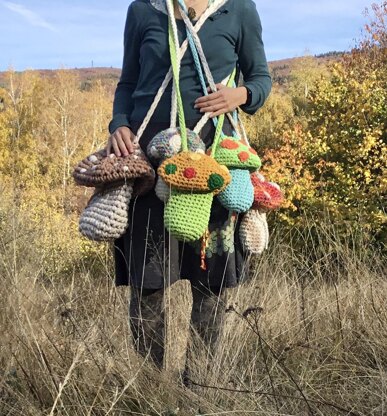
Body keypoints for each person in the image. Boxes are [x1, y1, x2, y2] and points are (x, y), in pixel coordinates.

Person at [106, 0, 272, 375]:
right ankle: (152, 391)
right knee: (147, 286)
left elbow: (261, 79)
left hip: (214, 169)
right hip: (149, 169)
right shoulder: (143, 9)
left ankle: (200, 390)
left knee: (211, 286)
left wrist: (239, 95)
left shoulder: (238, 9)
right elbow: (128, 82)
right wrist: (118, 122)